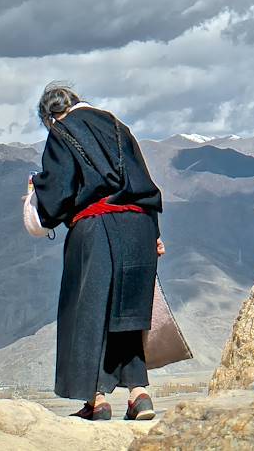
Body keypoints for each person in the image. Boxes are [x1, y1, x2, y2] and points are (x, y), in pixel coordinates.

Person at [29, 81, 165, 421]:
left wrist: (35, 194)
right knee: (127, 313)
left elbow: (58, 193)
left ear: (51, 117)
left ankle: (97, 400)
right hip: (140, 228)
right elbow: (141, 181)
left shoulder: (62, 132)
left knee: (88, 314)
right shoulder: (118, 127)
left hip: (97, 227)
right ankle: (140, 396)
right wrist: (155, 235)